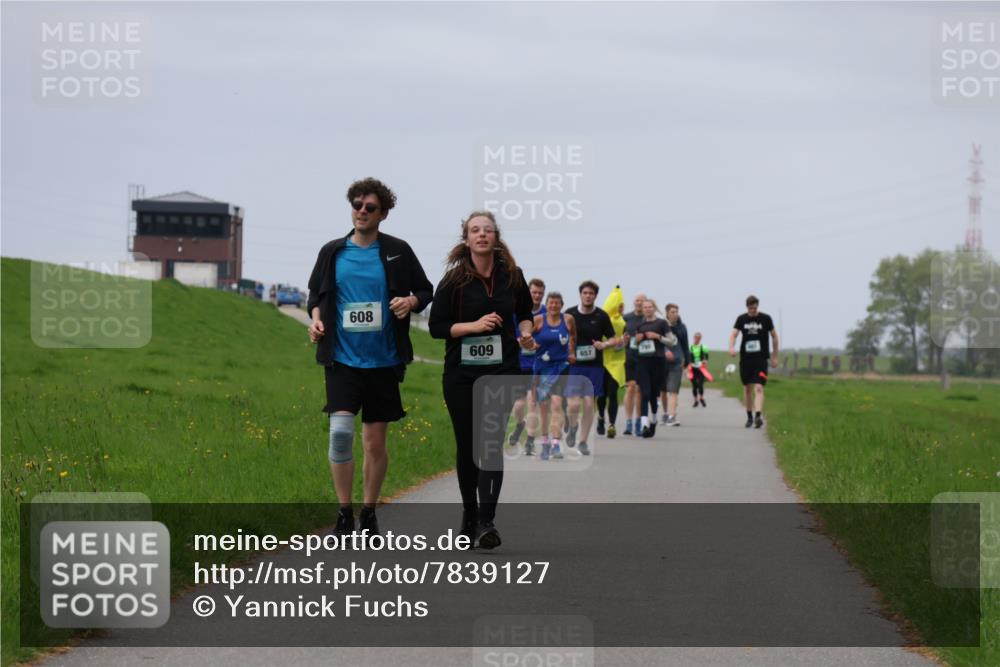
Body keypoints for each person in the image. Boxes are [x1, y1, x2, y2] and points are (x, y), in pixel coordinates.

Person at [307, 178, 433, 538]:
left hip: (383, 360)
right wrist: (316, 322)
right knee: (341, 434)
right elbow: (315, 296)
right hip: (342, 360)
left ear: (384, 214)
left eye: (370, 208)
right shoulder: (332, 251)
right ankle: (344, 512)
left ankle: (369, 512)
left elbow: (426, 290)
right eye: (357, 205)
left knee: (375, 443)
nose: (362, 212)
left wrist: (410, 302)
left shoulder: (397, 250)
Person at [428, 211, 535, 549]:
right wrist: (473, 327)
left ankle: (487, 522)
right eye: (475, 230)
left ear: (496, 237)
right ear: (466, 239)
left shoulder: (512, 276)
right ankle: (469, 513)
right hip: (461, 372)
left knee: (489, 443)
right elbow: (436, 328)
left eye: (487, 230)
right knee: (468, 445)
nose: (482, 235)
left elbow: (526, 314)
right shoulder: (453, 281)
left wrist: (527, 334)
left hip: (501, 369)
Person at [564, 281, 619, 455]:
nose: (588, 296)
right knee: (573, 405)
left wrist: (604, 344)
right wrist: (567, 350)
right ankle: (573, 427)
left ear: (595, 296)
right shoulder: (570, 314)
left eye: (591, 293)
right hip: (575, 366)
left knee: (588, 404)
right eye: (585, 293)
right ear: (580, 294)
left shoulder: (601, 316)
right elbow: (562, 336)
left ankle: (583, 441)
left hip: (594, 367)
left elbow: (613, 339)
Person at [525, 293, 576, 460]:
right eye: (551, 303)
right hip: (542, 367)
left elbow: (573, 335)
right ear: (547, 305)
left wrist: (572, 351)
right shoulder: (538, 320)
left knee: (556, 403)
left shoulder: (568, 319)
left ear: (561, 305)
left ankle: (556, 443)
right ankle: (545, 440)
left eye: (557, 303)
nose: (554, 306)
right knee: (544, 406)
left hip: (561, 366)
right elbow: (524, 339)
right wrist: (532, 344)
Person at [507, 278, 546, 455]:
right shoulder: (517, 312)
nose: (537, 296)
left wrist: (538, 345)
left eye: (540, 293)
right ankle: (520, 424)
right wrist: (520, 341)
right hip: (519, 362)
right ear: (528, 293)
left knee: (532, 401)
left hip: (538, 365)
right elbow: (508, 336)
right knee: (519, 404)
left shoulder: (546, 313)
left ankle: (530, 440)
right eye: (534, 292)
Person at [728, 295, 779, 429]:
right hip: (746, 359)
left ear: (758, 306)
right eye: (751, 308)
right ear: (747, 307)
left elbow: (774, 337)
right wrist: (732, 347)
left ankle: (758, 416)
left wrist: (774, 356)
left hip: (761, 359)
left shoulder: (766, 319)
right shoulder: (741, 319)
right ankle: (749, 416)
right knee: (747, 389)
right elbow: (733, 334)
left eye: (755, 308)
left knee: (759, 387)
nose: (753, 311)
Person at [634, 299, 674, 438]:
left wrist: (658, 336)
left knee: (653, 394)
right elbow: (635, 345)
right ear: (642, 309)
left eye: (650, 307)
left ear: (654, 308)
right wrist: (636, 340)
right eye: (645, 307)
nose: (648, 309)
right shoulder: (640, 325)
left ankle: (654, 419)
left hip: (658, 361)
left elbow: (672, 341)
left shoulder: (662, 323)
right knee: (644, 393)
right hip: (643, 361)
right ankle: (644, 424)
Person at [598, 287, 627, 438]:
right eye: (619, 305)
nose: (622, 308)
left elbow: (622, 343)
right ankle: (601, 418)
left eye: (623, 305)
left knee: (612, 393)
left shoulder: (623, 322)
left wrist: (623, 342)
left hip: (617, 362)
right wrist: (611, 343)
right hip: (601, 361)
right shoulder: (601, 319)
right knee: (601, 395)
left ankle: (612, 425)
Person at [659, 303, 690, 426]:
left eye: (677, 311)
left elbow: (685, 345)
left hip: (677, 363)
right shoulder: (661, 325)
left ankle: (672, 416)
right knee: (663, 391)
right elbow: (658, 342)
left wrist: (687, 361)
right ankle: (666, 413)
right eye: (672, 312)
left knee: (673, 390)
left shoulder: (682, 327)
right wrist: (664, 352)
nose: (675, 314)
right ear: (667, 313)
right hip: (662, 362)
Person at [621, 293, 646, 435]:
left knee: (639, 389)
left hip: (643, 358)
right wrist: (623, 340)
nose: (639, 302)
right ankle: (628, 422)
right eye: (637, 300)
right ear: (634, 302)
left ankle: (638, 421)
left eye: (641, 300)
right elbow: (619, 336)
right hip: (629, 356)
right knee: (630, 389)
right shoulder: (627, 318)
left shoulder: (648, 318)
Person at [689, 332, 709, 407]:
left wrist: (705, 361)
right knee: (694, 385)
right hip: (692, 368)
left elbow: (706, 357)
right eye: (695, 337)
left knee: (700, 384)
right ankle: (695, 400)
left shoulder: (703, 347)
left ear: (700, 339)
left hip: (701, 368)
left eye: (698, 338)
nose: (697, 339)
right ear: (694, 338)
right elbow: (687, 357)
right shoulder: (690, 347)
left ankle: (701, 398)